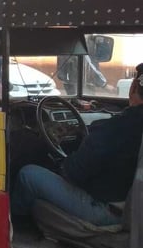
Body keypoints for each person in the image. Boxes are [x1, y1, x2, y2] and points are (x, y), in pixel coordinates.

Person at [10, 62, 143, 226]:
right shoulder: (121, 128)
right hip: (131, 207)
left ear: (132, 88)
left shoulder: (115, 128)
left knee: (28, 175)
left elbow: (73, 173)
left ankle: (12, 229)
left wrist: (63, 161)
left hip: (106, 210)